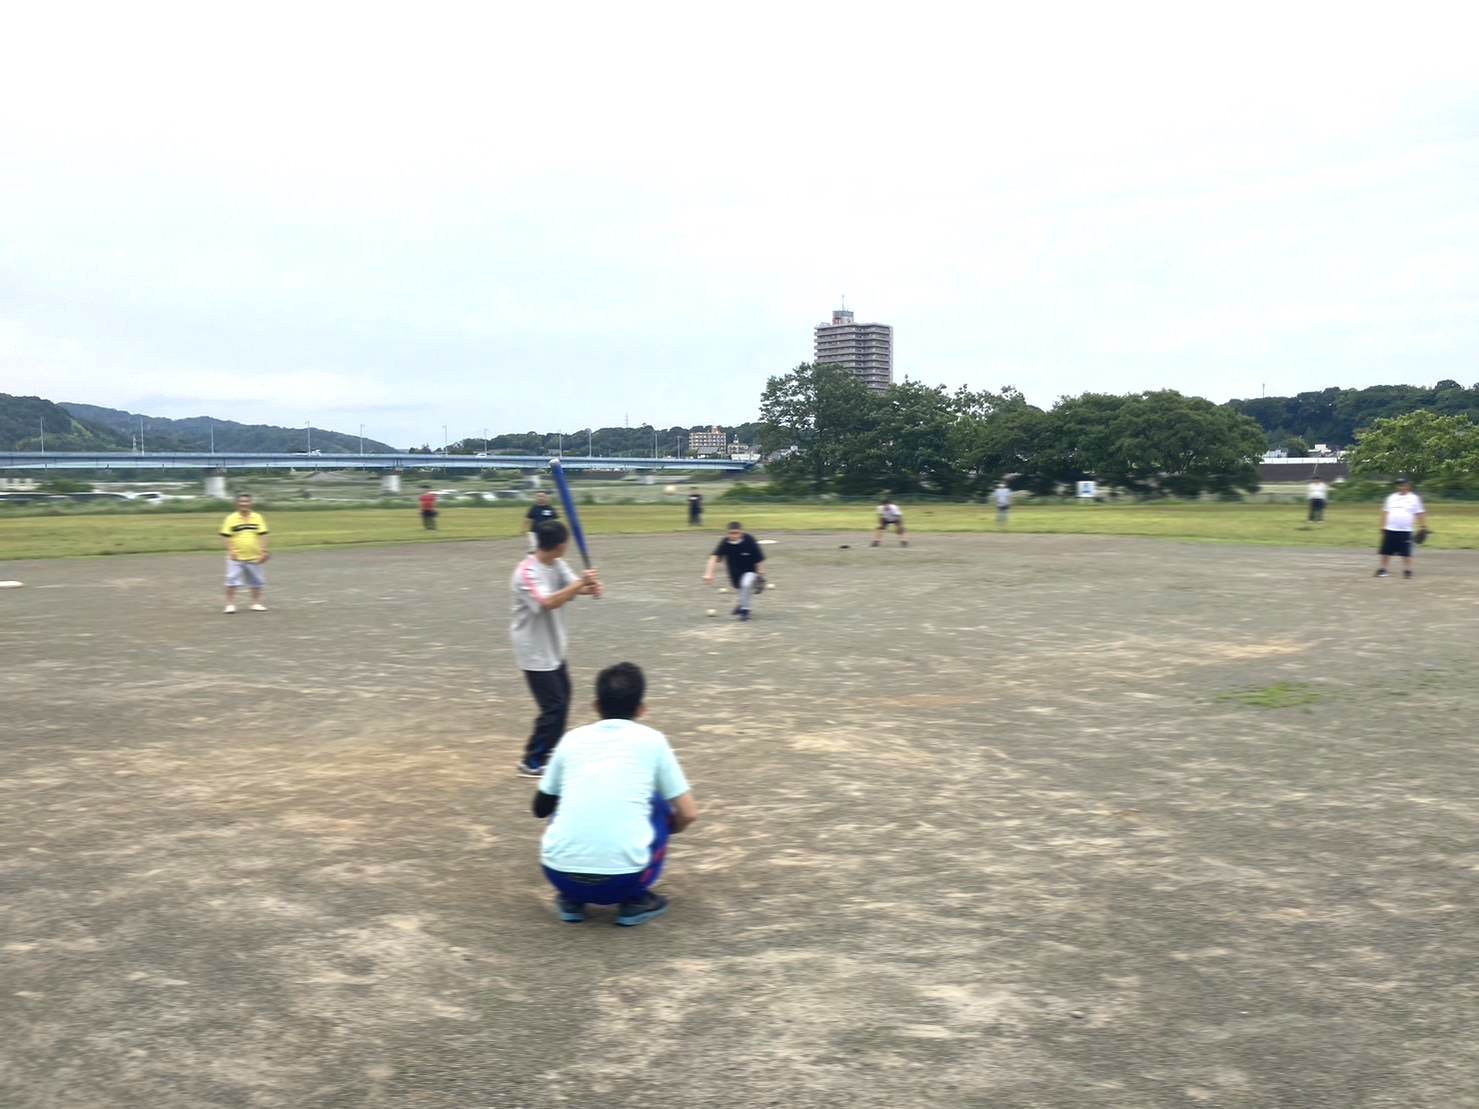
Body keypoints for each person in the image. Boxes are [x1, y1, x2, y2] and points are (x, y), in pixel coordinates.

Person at [533, 661, 699, 927]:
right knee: (656, 802)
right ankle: (635, 901)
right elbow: (689, 813)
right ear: (642, 709)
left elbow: (540, 808)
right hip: (626, 879)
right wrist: (669, 829)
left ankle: (572, 900)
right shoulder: (653, 741)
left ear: (596, 706)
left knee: (566, 796)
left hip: (559, 874)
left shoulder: (571, 740)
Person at [511, 519, 601, 776]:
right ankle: (532, 759)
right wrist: (581, 583)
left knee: (563, 699)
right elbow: (549, 602)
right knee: (553, 706)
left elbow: (573, 588)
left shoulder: (556, 563)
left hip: (553, 646)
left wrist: (590, 586)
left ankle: (550, 751)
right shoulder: (527, 573)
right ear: (561, 545)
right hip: (534, 650)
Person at [704, 521, 765, 621]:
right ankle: (742, 603)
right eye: (731, 533)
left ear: (741, 533)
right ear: (727, 533)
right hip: (734, 572)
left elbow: (759, 559)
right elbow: (714, 557)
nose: (733, 535)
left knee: (746, 584)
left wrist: (760, 574)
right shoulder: (725, 543)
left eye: (736, 533)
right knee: (741, 588)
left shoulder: (749, 540)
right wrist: (709, 573)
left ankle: (745, 611)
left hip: (750, 570)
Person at [220, 493, 269, 614]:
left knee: (257, 580)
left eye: (246, 501)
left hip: (255, 556)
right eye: (241, 501)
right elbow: (226, 536)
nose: (244, 504)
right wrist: (231, 550)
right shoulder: (231, 518)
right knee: (231, 580)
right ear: (237, 504)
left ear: (251, 503)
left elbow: (263, 535)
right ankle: (230, 605)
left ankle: (255, 603)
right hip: (236, 557)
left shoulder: (257, 517)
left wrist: (264, 551)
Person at [1375, 477, 1427, 579]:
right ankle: (1383, 570)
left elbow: (1420, 513)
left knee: (1406, 552)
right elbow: (1385, 512)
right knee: (1386, 551)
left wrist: (1423, 526)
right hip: (1390, 529)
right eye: (1399, 484)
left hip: (1406, 530)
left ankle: (1407, 571)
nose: (1400, 486)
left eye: (1403, 484)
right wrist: (1383, 526)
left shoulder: (1414, 498)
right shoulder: (1391, 497)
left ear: (1408, 485)